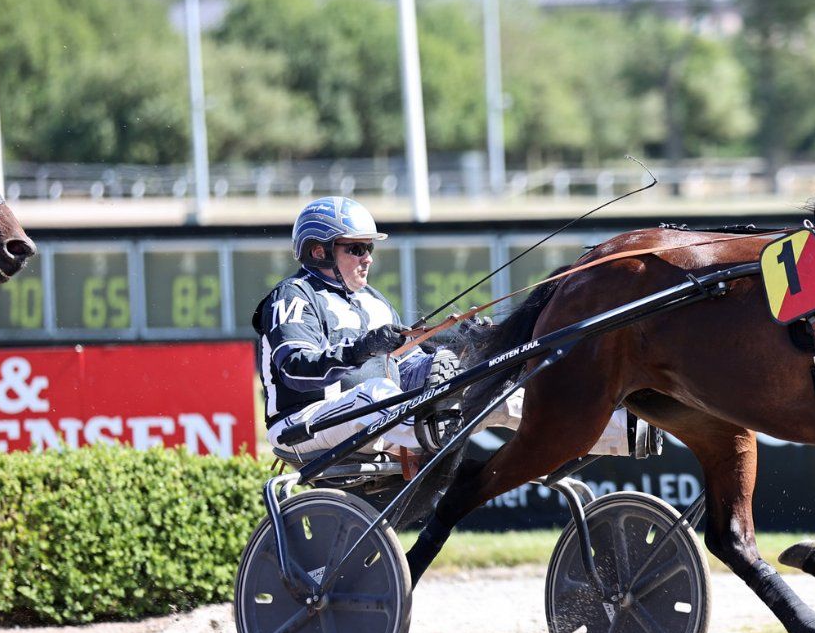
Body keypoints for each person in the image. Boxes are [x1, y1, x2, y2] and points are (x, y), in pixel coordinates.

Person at [253, 196, 648, 458]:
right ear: (319, 251)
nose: (367, 258)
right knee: (374, 395)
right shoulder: (292, 297)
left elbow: (400, 364)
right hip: (303, 425)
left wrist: (455, 353)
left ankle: (619, 434)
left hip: (372, 419)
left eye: (370, 248)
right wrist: (363, 349)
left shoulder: (373, 301)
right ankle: (437, 430)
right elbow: (295, 369)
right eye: (356, 248)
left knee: (488, 386)